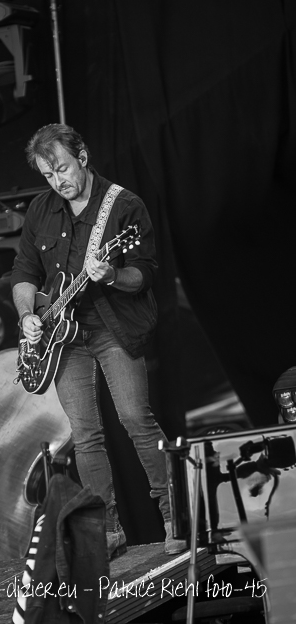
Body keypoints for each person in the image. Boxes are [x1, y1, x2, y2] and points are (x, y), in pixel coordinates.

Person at [11, 123, 186, 559]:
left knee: (135, 418)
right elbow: (25, 271)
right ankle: (107, 531)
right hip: (62, 338)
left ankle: (175, 518)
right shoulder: (41, 210)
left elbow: (145, 274)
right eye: (48, 175)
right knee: (85, 436)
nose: (58, 181)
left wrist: (111, 275)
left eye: (62, 169)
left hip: (113, 327)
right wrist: (28, 315)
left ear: (83, 157)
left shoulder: (123, 206)